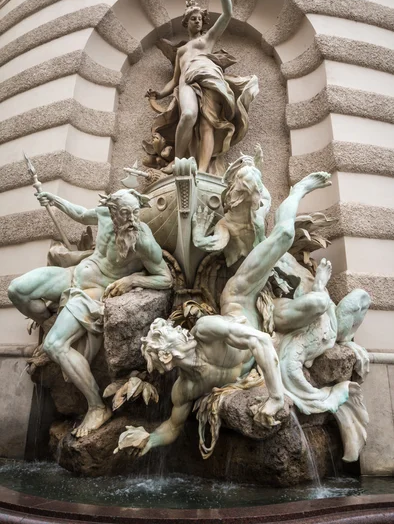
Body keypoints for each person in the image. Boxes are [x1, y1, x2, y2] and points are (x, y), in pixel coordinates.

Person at [114, 172, 332, 457]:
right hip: (269, 322)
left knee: (285, 235)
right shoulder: (183, 389)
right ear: (167, 358)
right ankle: (318, 288)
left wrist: (276, 397)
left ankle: (299, 188)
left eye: (168, 334)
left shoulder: (205, 330)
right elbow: (173, 425)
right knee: (318, 304)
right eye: (163, 343)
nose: (176, 330)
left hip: (241, 295)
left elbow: (261, 343)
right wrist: (148, 440)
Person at [8, 189, 172, 437]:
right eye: (126, 214)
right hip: (74, 275)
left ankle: (96, 406)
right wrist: (54, 199)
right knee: (16, 290)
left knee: (54, 345)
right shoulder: (106, 214)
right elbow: (82, 214)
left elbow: (165, 278)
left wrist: (133, 280)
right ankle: (51, 323)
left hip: (95, 292)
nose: (132, 220)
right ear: (113, 211)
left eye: (136, 213)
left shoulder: (143, 240)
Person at [146, 0, 258, 174]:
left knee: (208, 125)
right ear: (186, 22)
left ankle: (203, 170)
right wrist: (159, 94)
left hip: (210, 79)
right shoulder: (181, 52)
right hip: (187, 82)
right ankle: (179, 161)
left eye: (199, 18)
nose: (197, 20)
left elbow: (227, 13)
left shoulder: (208, 39)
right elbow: (174, 80)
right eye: (193, 18)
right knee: (188, 115)